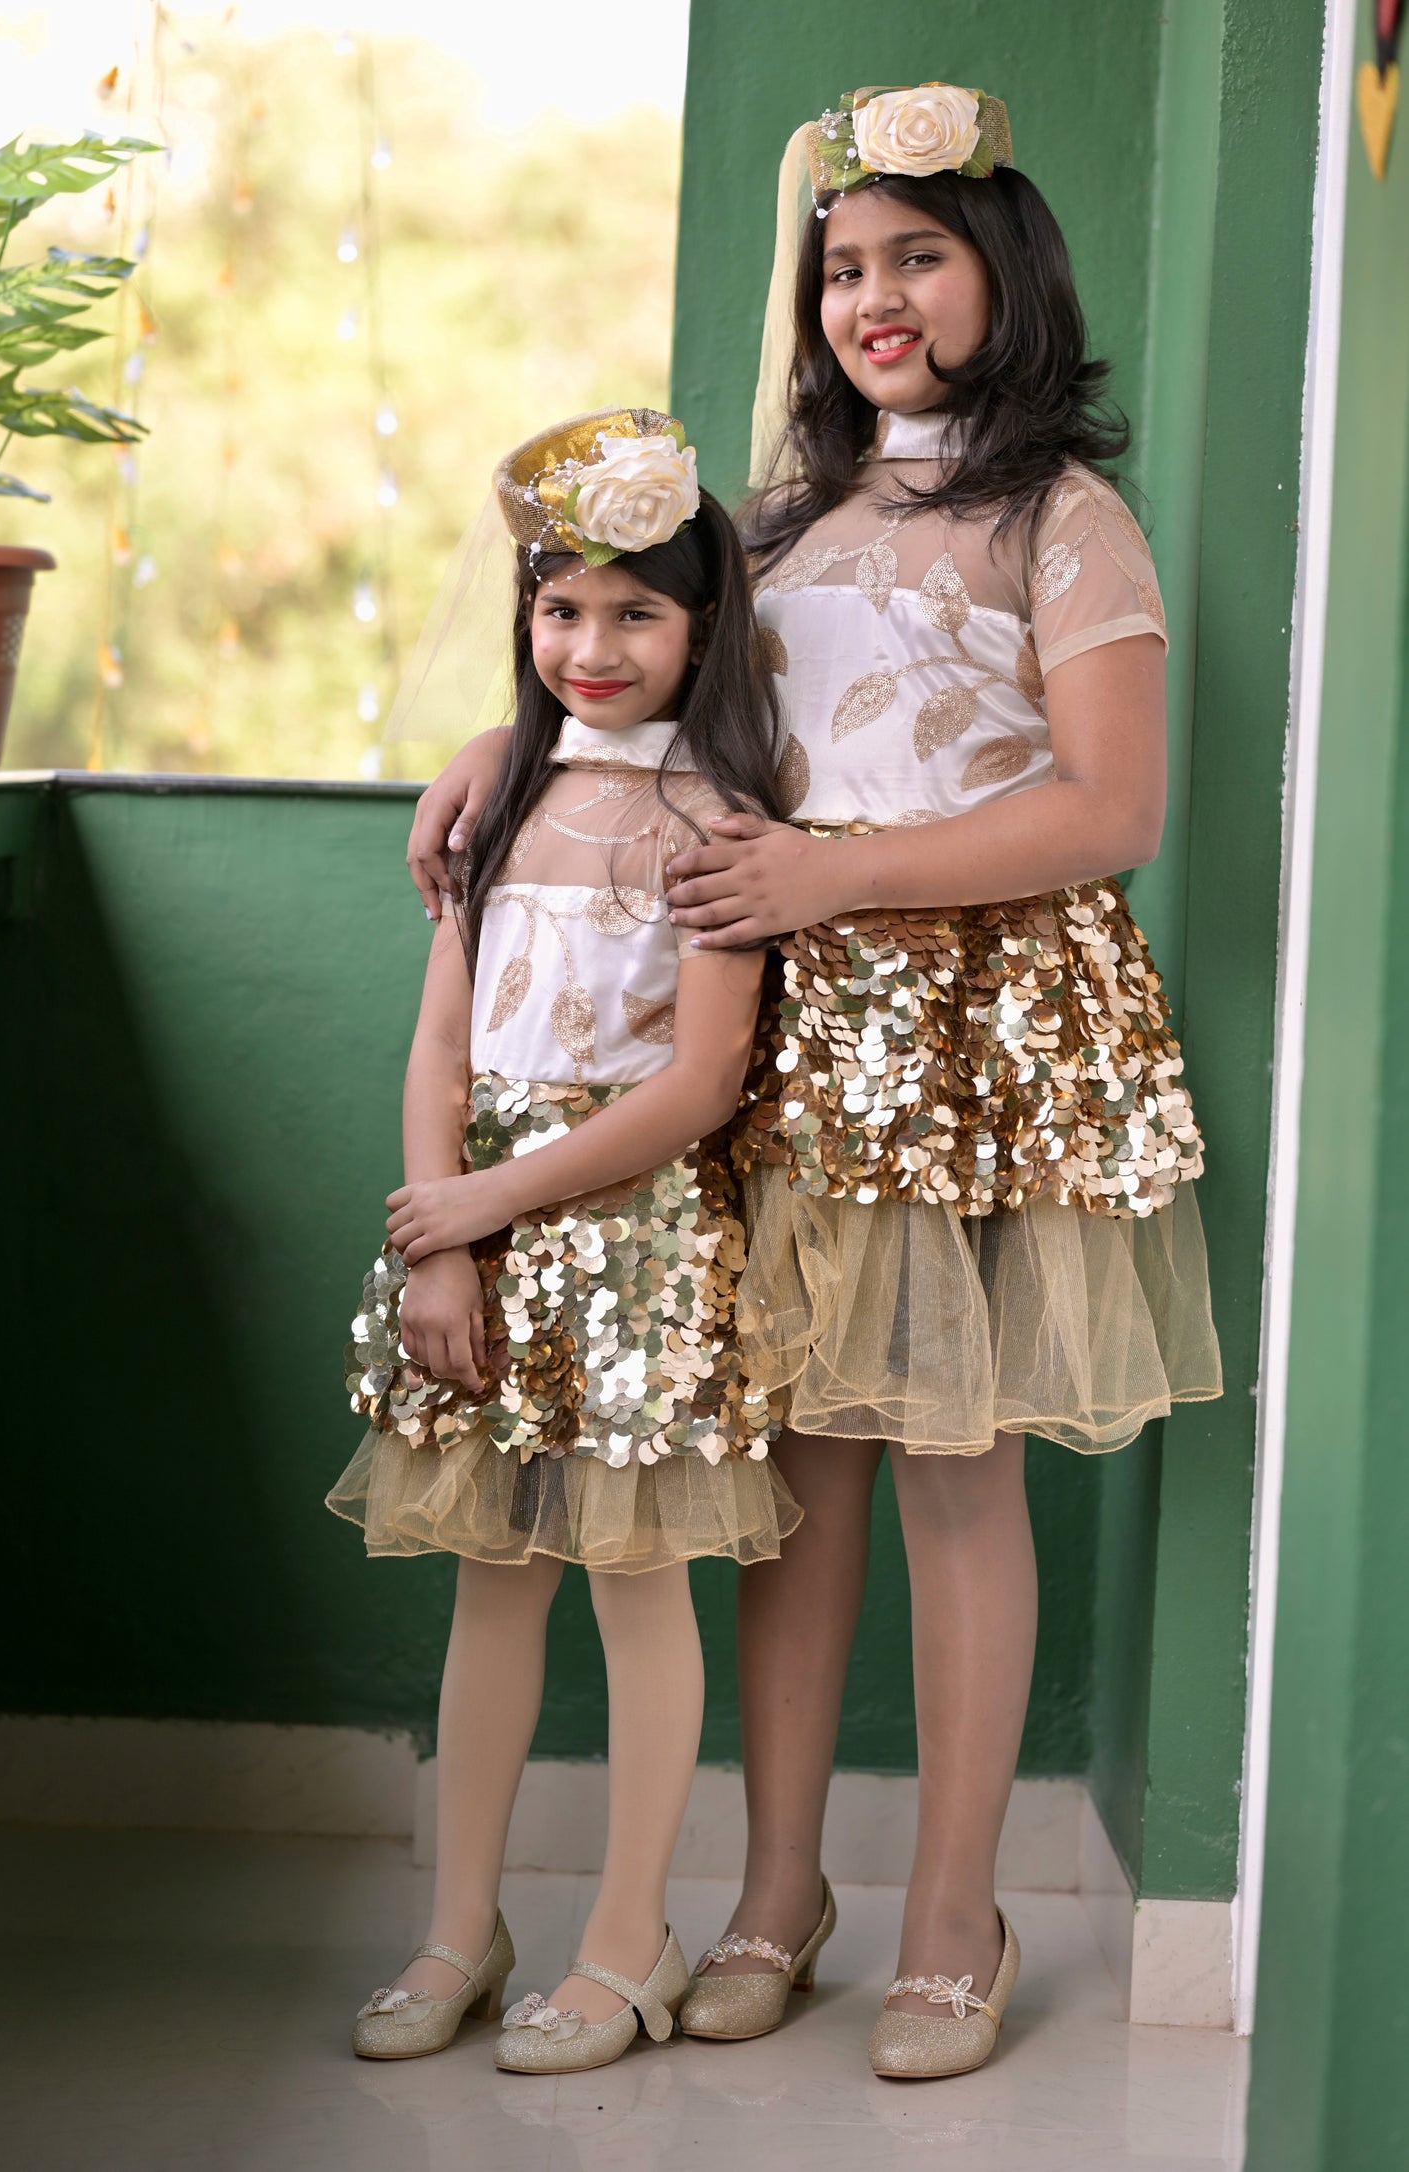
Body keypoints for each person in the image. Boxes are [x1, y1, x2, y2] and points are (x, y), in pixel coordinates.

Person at [405, 83, 1221, 2082]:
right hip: (768, 1026)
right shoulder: (772, 526)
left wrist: (838, 877)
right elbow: (642, 693)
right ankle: (783, 1889)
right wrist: (488, 760)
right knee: (786, 1479)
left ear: (1001, 273)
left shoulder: (1064, 518)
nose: (872, 296)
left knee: (952, 1466)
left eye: (917, 256)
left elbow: (1110, 808)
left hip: (972, 1032)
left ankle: (957, 1914)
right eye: (842, 265)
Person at [329, 408, 800, 2076]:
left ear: (701, 628)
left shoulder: (719, 818)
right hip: (478, 1241)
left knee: (635, 1583)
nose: (589, 647)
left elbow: (697, 1086)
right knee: (492, 1587)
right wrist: (439, 1241)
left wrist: (490, 1203)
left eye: (634, 613)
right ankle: (463, 1924)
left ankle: (628, 1939)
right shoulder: (501, 796)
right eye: (558, 608)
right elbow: (441, 1044)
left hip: (632, 1240)